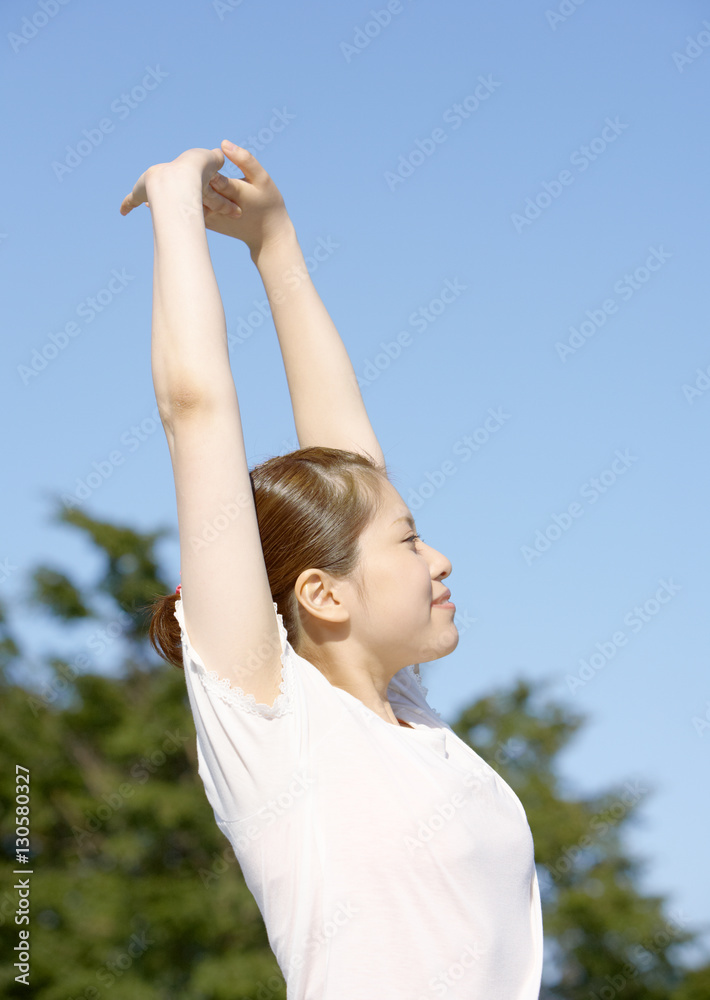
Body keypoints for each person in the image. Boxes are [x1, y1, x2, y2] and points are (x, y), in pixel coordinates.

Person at [120, 141, 543, 999]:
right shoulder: (275, 727)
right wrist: (175, 206)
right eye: (411, 541)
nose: (440, 558)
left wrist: (275, 248)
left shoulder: (413, 725)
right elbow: (195, 413)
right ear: (322, 593)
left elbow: (351, 466)